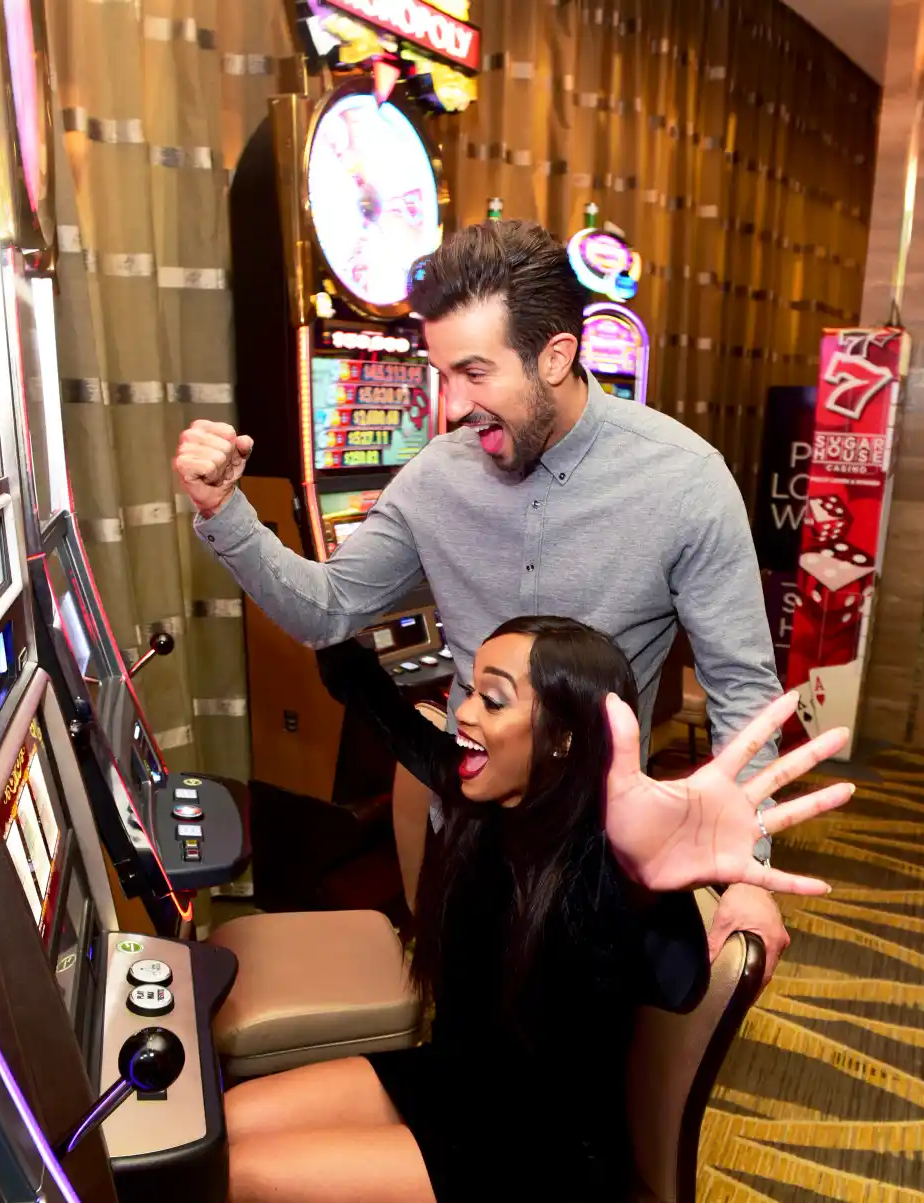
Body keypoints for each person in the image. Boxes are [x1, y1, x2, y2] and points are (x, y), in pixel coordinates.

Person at [175, 220, 792, 982]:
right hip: (467, 839)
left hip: (596, 860)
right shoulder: (439, 475)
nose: (454, 407)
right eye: (443, 376)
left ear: (556, 356)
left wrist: (748, 873)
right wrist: (222, 512)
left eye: (474, 373)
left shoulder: (685, 481)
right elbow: (327, 607)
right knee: (459, 1046)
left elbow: (743, 693)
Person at [224, 619, 854, 1203]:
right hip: (454, 1082)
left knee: (238, 1174)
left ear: (564, 737)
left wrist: (649, 887)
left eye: (492, 701)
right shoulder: (487, 794)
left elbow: (676, 978)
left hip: (534, 1154)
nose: (464, 712)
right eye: (470, 690)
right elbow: (381, 708)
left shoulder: (596, 860)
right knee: (218, 1130)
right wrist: (321, 608)